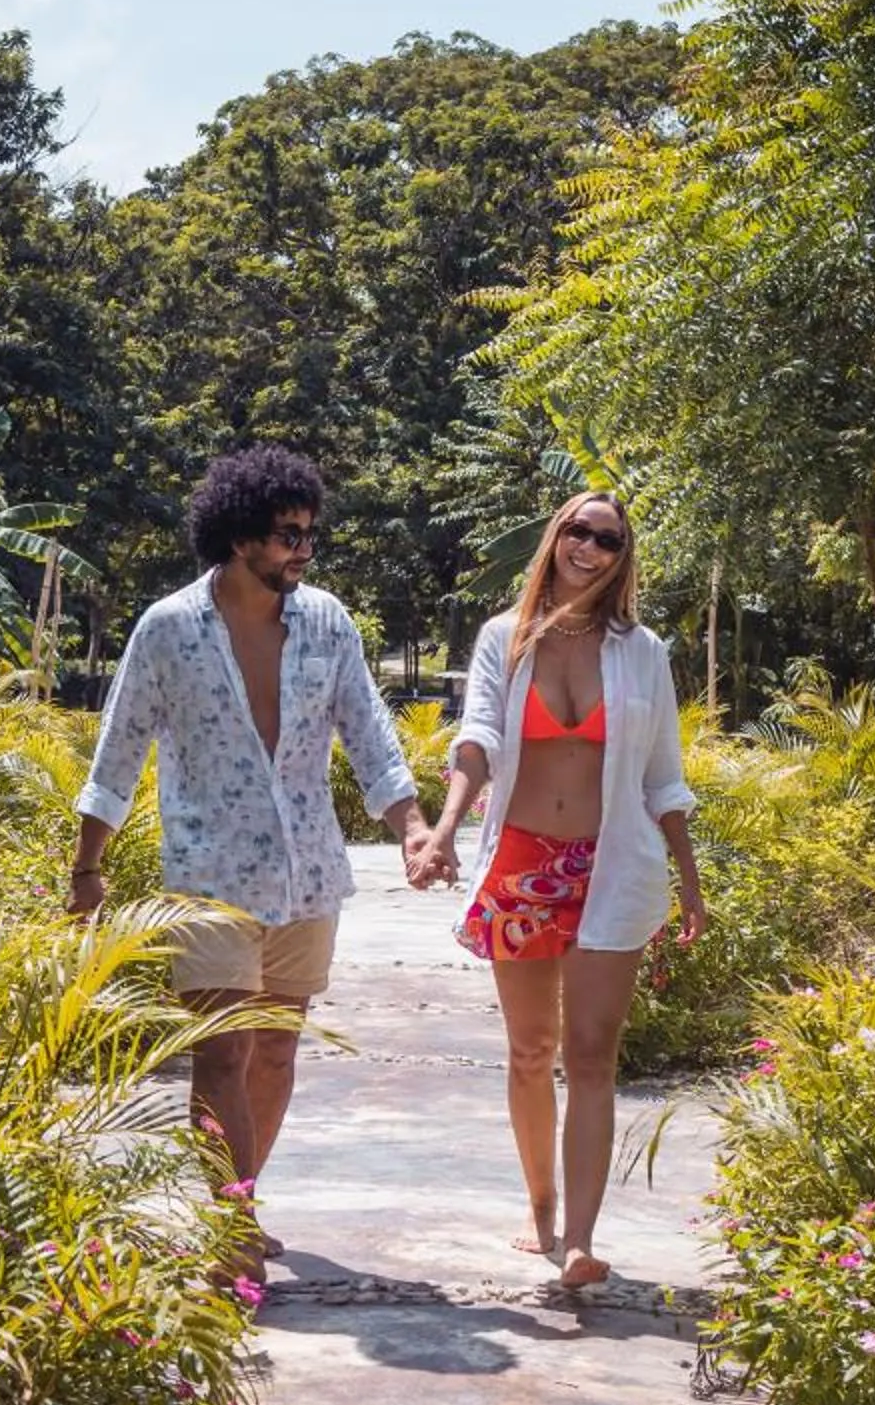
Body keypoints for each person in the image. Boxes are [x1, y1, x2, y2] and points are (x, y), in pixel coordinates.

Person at [70, 445, 433, 1248]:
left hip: (307, 873)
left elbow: (369, 733)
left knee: (274, 1051)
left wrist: (411, 826)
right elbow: (119, 750)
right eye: (286, 534)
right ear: (239, 538)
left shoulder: (327, 623)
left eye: (309, 533)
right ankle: (232, 1228)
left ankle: (238, 1200)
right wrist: (87, 867)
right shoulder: (167, 630)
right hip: (207, 874)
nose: (302, 547)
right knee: (220, 1055)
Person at [412, 493, 704, 1290]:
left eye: (607, 539)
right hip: (522, 866)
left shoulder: (642, 651)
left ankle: (579, 1239)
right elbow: (478, 740)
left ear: (620, 557)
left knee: (593, 1054)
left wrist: (690, 882)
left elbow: (665, 777)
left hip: (611, 867)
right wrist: (442, 830)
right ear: (555, 538)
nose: (589, 547)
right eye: (578, 530)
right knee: (531, 1050)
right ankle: (539, 1207)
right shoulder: (503, 640)